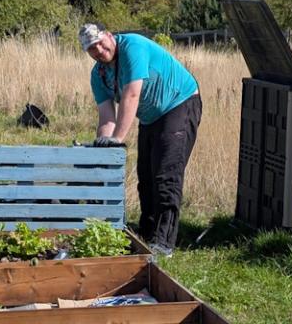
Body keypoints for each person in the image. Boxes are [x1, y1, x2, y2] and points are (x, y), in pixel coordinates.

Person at [79, 23, 202, 257]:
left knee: (166, 175)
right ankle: (146, 235)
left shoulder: (132, 47)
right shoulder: (99, 75)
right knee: (145, 178)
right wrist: (103, 152)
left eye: (100, 43)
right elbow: (107, 116)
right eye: (92, 49)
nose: (99, 51)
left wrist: (117, 140)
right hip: (150, 116)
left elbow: (131, 95)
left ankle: (164, 243)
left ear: (109, 35)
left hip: (179, 103)